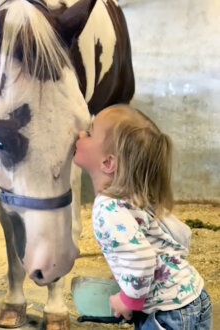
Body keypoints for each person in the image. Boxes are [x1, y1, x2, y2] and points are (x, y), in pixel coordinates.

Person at [73, 104, 211, 329]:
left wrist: (128, 300)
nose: (80, 134)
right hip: (193, 296)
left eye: (89, 133)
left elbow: (142, 260)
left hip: (166, 313)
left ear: (108, 163)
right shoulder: (136, 197)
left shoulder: (108, 208)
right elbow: (181, 235)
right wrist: (124, 278)